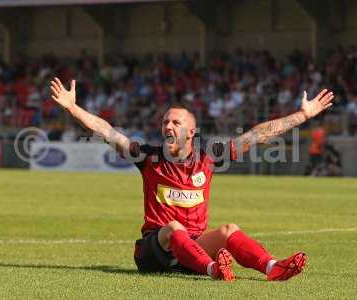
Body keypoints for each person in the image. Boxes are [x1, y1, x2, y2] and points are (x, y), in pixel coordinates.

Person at [50, 77, 334, 281]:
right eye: (165, 122)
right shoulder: (148, 157)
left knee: (228, 229)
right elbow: (107, 131)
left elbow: (258, 134)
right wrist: (73, 109)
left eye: (175, 122)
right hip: (154, 250)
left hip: (193, 248)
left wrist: (302, 115)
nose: (167, 126)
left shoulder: (208, 157)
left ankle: (272, 267)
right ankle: (214, 270)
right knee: (173, 227)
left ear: (192, 131)